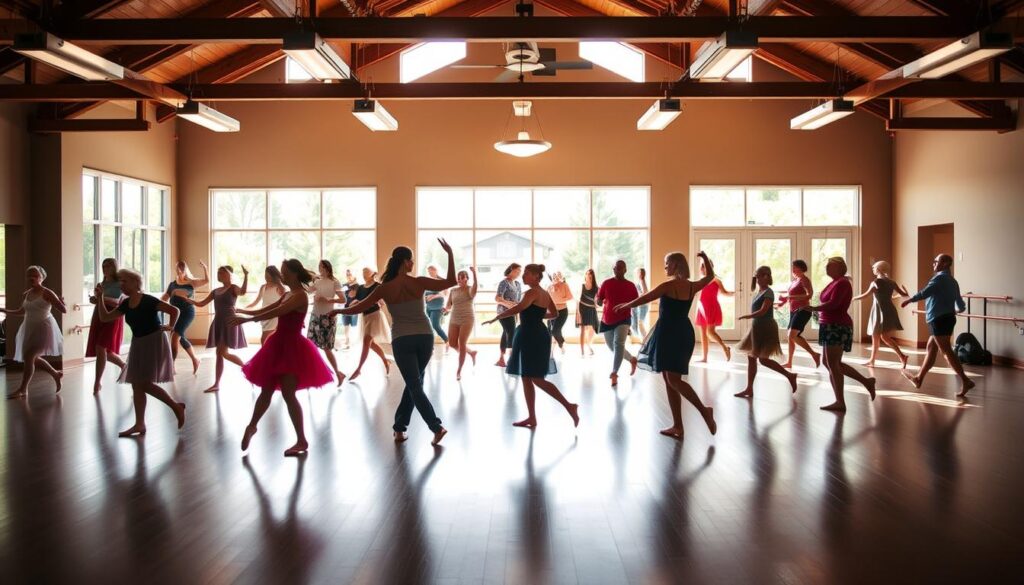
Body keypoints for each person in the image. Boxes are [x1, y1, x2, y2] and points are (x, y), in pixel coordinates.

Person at [336, 242, 454, 445]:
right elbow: (451, 281)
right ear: (405, 262)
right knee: (414, 384)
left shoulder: (385, 288)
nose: (413, 264)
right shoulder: (419, 282)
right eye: (412, 260)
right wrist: (450, 254)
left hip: (402, 339)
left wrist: (338, 311)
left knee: (414, 385)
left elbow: (359, 308)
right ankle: (399, 428)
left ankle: (436, 427)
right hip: (424, 338)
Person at [231, 259, 335, 456]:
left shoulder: (301, 296)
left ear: (295, 274)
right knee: (266, 390)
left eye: (285, 272)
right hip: (278, 344)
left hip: (292, 348)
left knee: (288, 394)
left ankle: (302, 440)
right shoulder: (288, 294)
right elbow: (267, 309)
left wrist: (248, 319)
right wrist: (246, 312)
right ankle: (252, 426)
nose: (282, 275)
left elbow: (276, 312)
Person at [616, 252, 718, 440]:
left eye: (667, 264)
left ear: (676, 265)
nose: (665, 267)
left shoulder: (668, 286)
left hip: (671, 333)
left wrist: (626, 305)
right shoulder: (692, 286)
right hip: (681, 332)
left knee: (674, 380)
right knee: (669, 379)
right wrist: (704, 257)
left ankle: (705, 411)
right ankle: (678, 426)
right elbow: (710, 276)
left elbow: (645, 298)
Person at [483, 264, 578, 429]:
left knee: (535, 378)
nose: (523, 276)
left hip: (531, 335)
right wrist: (538, 316)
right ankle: (532, 417)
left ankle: (569, 406)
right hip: (534, 332)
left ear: (535, 276)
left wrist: (496, 317)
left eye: (526, 274)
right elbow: (554, 314)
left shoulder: (533, 292)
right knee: (526, 377)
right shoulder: (545, 293)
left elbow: (518, 308)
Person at [94, 269, 186, 437]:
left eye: (124, 281)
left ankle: (175, 406)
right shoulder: (125, 303)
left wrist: (171, 327)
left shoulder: (148, 300)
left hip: (154, 341)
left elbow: (175, 311)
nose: (121, 284)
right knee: (137, 384)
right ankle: (139, 424)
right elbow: (105, 317)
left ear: (135, 283)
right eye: (120, 281)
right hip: (138, 343)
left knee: (143, 383)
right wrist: (100, 298)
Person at [808, 257, 877, 411]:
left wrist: (813, 308)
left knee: (833, 363)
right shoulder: (834, 282)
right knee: (829, 363)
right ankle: (865, 383)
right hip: (828, 324)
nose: (826, 268)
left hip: (837, 325)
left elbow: (834, 304)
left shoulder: (843, 283)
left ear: (839, 268)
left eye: (829, 265)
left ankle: (841, 401)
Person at [900, 253, 974, 396]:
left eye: (936, 261)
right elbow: (960, 303)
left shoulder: (939, 278)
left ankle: (966, 380)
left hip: (939, 319)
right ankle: (919, 378)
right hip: (947, 318)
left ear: (945, 263)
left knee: (946, 351)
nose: (933, 263)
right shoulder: (953, 281)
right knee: (931, 347)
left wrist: (910, 300)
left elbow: (925, 292)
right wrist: (958, 309)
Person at [734, 266, 799, 398]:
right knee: (751, 358)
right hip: (757, 326)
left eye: (759, 276)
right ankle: (749, 389)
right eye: (756, 276)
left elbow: (763, 311)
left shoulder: (769, 292)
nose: (757, 279)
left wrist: (748, 316)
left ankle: (790, 375)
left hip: (766, 327)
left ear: (765, 277)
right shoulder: (760, 292)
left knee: (763, 360)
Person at [2, 266, 65, 399]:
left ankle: (23, 389)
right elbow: (22, 312)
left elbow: (63, 309)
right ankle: (55, 373)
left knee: (29, 356)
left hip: (44, 327)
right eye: (29, 275)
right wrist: (5, 311)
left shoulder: (47, 292)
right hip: (29, 327)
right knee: (31, 357)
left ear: (41, 278)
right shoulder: (27, 293)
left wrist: (59, 301)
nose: (31, 278)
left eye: (35, 276)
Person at [187, 265, 248, 393]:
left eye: (222, 273)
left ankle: (247, 369)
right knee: (219, 354)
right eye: (218, 273)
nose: (219, 275)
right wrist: (188, 300)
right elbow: (202, 303)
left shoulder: (233, 288)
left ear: (229, 275)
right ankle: (217, 383)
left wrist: (246, 276)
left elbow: (242, 292)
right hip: (219, 322)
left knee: (222, 353)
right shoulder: (216, 291)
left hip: (230, 321)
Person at [853, 260, 909, 368]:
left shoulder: (876, 282)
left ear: (878, 269)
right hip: (889, 310)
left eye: (874, 268)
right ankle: (873, 360)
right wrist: (900, 292)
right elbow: (904, 295)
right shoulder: (891, 282)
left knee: (879, 336)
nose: (873, 269)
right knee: (881, 336)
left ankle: (901, 357)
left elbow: (865, 295)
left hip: (879, 310)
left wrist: (853, 298)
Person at [596, 260, 639, 387]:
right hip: (607, 319)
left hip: (624, 319)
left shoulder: (631, 286)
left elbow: (636, 302)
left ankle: (614, 373)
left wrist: (627, 308)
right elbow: (599, 298)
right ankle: (632, 359)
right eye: (615, 268)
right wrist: (598, 301)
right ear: (613, 269)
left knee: (618, 344)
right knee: (612, 348)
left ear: (625, 270)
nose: (617, 270)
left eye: (620, 268)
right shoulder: (606, 283)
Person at [86, 257, 126, 394]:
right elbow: (99, 300)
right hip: (99, 315)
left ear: (114, 267)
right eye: (103, 266)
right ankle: (124, 366)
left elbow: (117, 302)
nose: (105, 268)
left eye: (108, 266)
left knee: (100, 347)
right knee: (105, 352)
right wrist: (95, 300)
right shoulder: (101, 284)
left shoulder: (119, 283)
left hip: (112, 316)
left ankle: (97, 382)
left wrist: (101, 298)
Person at [162, 260, 209, 374]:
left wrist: (205, 268)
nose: (179, 270)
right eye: (178, 267)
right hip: (175, 314)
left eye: (182, 268)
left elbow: (206, 281)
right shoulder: (172, 284)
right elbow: (164, 298)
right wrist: (153, 304)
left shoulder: (191, 282)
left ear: (185, 269)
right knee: (180, 337)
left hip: (187, 313)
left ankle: (171, 366)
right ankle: (195, 359)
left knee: (175, 337)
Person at [347, 267, 391, 381]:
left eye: (366, 272)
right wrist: (352, 303)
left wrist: (379, 302)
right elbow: (357, 302)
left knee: (366, 342)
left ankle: (358, 369)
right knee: (370, 344)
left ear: (372, 274)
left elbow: (382, 302)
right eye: (363, 272)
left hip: (375, 316)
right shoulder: (361, 288)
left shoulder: (377, 286)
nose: (364, 274)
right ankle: (385, 361)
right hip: (365, 317)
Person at [776, 260, 820, 369]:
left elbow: (809, 295)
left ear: (800, 268)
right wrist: (782, 303)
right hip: (794, 310)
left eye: (794, 267)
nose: (792, 269)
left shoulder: (805, 280)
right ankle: (789, 362)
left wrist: (790, 297)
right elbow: (790, 296)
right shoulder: (795, 281)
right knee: (792, 337)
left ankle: (815, 354)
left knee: (792, 335)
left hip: (804, 310)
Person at [309, 260, 346, 385]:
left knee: (326, 347)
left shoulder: (334, 282)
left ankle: (338, 373)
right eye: (319, 266)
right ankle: (313, 373)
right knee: (310, 344)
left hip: (327, 317)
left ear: (328, 268)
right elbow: (308, 290)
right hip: (315, 315)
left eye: (322, 267)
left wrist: (328, 299)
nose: (320, 269)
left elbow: (343, 299)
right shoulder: (317, 281)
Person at [694, 257, 733, 363]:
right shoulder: (701, 280)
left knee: (710, 332)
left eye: (704, 266)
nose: (702, 268)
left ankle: (725, 347)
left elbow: (724, 292)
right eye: (701, 266)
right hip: (702, 308)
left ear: (710, 267)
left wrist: (735, 293)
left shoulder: (716, 280)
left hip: (712, 307)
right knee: (703, 333)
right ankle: (704, 357)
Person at [445, 267, 479, 380]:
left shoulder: (470, 290)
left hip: (467, 318)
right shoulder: (453, 290)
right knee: (452, 343)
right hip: (454, 318)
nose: (460, 281)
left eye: (462, 279)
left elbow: (475, 286)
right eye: (458, 279)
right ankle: (471, 353)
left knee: (462, 343)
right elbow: (449, 305)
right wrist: (445, 309)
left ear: (467, 279)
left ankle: (459, 370)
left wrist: (474, 273)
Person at [239, 265, 286, 345]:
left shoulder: (279, 287)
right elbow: (256, 301)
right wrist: (245, 308)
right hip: (264, 315)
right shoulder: (263, 287)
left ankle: (266, 355)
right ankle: (269, 355)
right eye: (265, 275)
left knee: (264, 339)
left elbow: (284, 301)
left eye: (268, 275)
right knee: (266, 340)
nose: (266, 277)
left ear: (273, 275)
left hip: (274, 316)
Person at [495, 263, 523, 367]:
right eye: (517, 271)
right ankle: (512, 359)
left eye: (520, 272)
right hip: (503, 312)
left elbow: (518, 300)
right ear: (511, 270)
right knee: (511, 332)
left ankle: (501, 359)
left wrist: (517, 306)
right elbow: (498, 298)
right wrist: (509, 304)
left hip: (513, 313)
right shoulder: (504, 283)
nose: (518, 273)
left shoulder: (518, 284)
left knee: (506, 333)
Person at [424, 264, 450, 351]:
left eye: (431, 270)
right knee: (428, 327)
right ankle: (430, 345)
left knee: (435, 326)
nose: (430, 272)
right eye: (428, 271)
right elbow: (425, 294)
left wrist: (433, 296)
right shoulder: (428, 281)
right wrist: (425, 298)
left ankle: (447, 341)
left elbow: (445, 294)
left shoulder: (441, 281)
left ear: (435, 271)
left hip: (437, 307)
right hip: (428, 307)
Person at [547, 271, 573, 353]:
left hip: (562, 311)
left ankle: (561, 343)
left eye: (557, 276)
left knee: (555, 330)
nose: (556, 278)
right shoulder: (549, 287)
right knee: (554, 331)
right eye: (554, 277)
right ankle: (557, 348)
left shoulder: (564, 285)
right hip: (552, 311)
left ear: (560, 277)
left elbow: (570, 297)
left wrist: (558, 300)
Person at [576, 269, 599, 356]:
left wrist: (597, 304)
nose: (589, 276)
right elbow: (577, 300)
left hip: (592, 309)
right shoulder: (582, 286)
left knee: (592, 330)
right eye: (587, 274)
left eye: (591, 274)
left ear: (593, 276)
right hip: (582, 308)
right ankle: (582, 351)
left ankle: (588, 346)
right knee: (582, 330)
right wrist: (578, 312)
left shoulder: (596, 288)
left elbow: (597, 301)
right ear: (585, 275)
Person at [341, 268, 360, 350]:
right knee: (346, 325)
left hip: (354, 308)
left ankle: (353, 342)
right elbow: (341, 295)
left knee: (354, 326)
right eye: (347, 274)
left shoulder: (357, 285)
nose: (348, 276)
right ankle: (347, 341)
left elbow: (354, 295)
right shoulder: (344, 285)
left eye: (350, 274)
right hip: (345, 308)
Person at [631, 267, 649, 341]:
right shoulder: (639, 282)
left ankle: (645, 341)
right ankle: (644, 341)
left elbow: (645, 293)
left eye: (638, 273)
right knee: (636, 325)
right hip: (638, 305)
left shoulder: (642, 281)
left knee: (640, 324)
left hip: (642, 306)